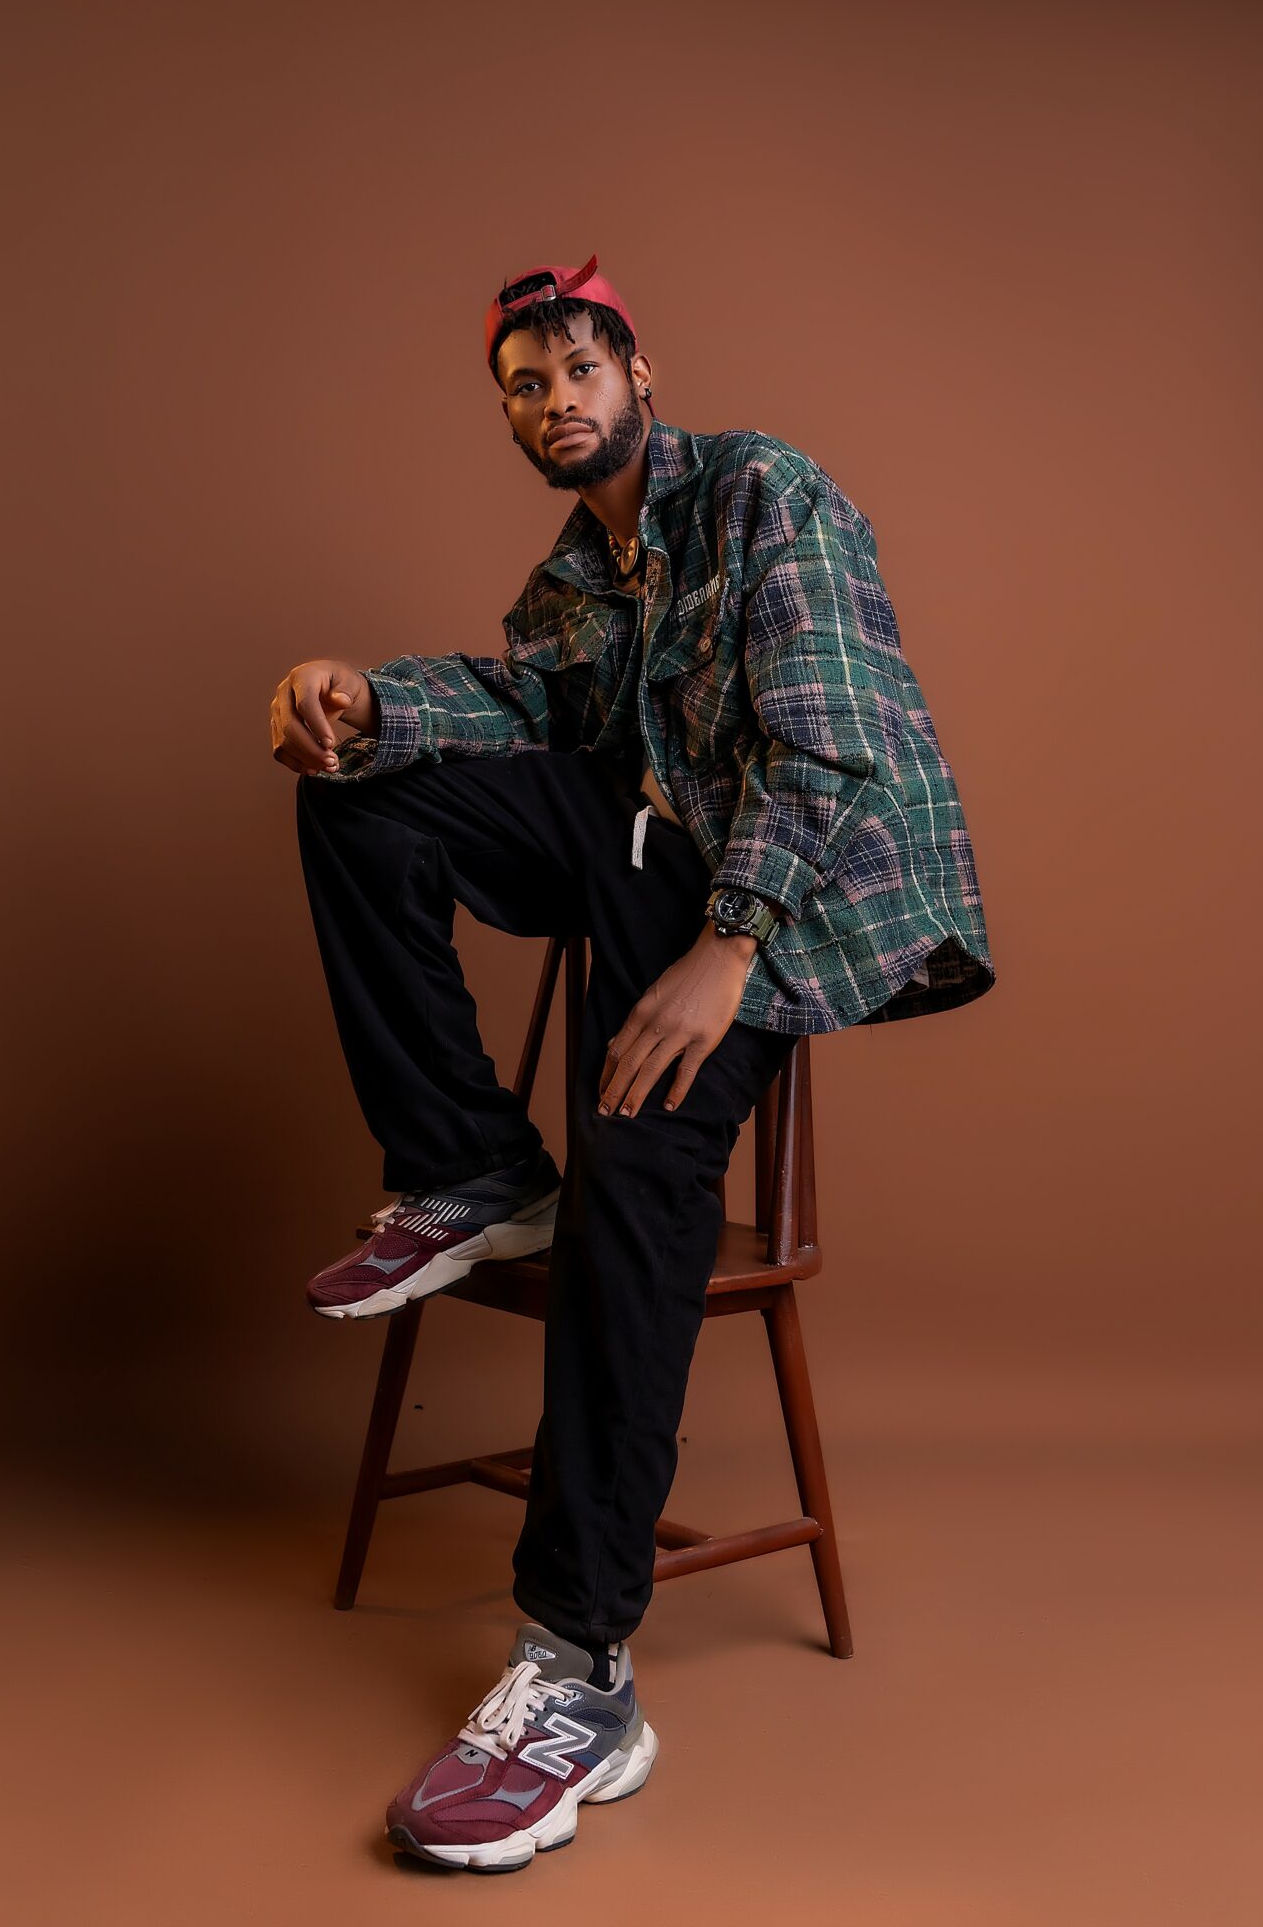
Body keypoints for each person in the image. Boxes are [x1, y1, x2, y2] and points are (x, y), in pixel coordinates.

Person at [269, 252, 996, 1873]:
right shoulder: (578, 574)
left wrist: (724, 952)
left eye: (577, 370)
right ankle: (468, 1165)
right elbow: (518, 699)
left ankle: (575, 1666)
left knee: (637, 1189)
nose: (553, 403)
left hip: (787, 895)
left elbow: (826, 740)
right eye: (523, 385)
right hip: (650, 856)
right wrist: (353, 697)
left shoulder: (762, 496)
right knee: (360, 794)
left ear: (638, 373)